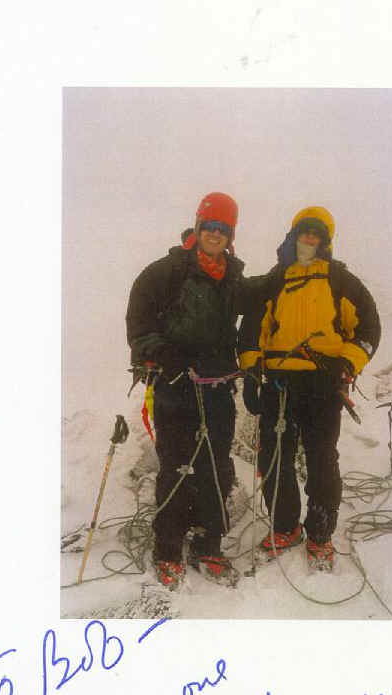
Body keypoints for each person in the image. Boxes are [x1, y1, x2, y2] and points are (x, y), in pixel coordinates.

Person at [126, 192, 263, 590]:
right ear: (199, 227)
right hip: (175, 385)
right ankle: (167, 548)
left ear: (230, 234)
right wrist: (161, 353)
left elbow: (256, 309)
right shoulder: (164, 272)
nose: (216, 234)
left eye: (224, 229)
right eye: (211, 226)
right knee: (177, 466)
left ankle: (209, 545)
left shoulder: (233, 278)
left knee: (216, 465)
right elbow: (138, 323)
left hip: (218, 387)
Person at [238, 206, 381, 571]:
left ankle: (320, 534)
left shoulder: (340, 280)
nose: (309, 239)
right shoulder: (277, 279)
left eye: (317, 234)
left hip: (322, 381)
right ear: (294, 235)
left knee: (321, 458)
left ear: (326, 241)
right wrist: (252, 369)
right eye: (305, 232)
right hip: (279, 381)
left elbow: (367, 327)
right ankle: (285, 527)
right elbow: (253, 329)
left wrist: (347, 362)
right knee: (274, 456)